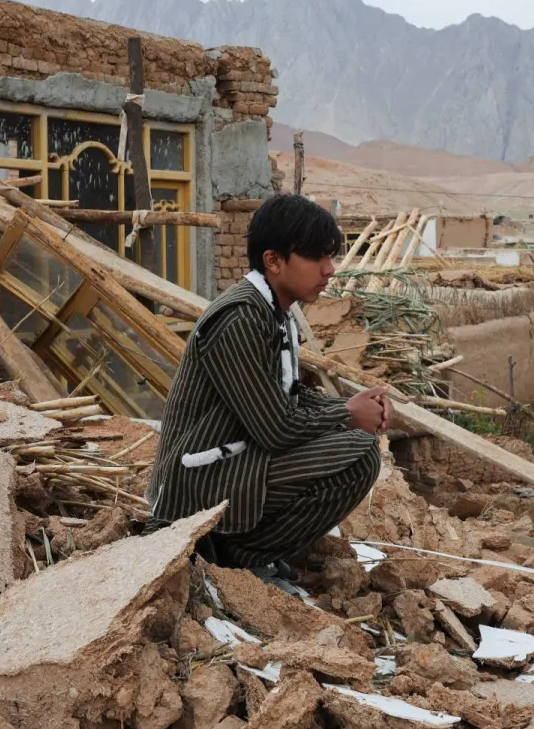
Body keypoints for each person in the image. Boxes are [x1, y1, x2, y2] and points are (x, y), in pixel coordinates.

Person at [147, 194, 390, 577]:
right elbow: (276, 429)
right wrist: (346, 414)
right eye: (316, 257)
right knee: (359, 455)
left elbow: (290, 394)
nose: (329, 270)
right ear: (274, 261)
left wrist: (352, 407)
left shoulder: (274, 313)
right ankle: (231, 554)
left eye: (330, 257)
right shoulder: (240, 318)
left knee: (356, 446)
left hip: (231, 464)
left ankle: (240, 545)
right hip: (195, 485)